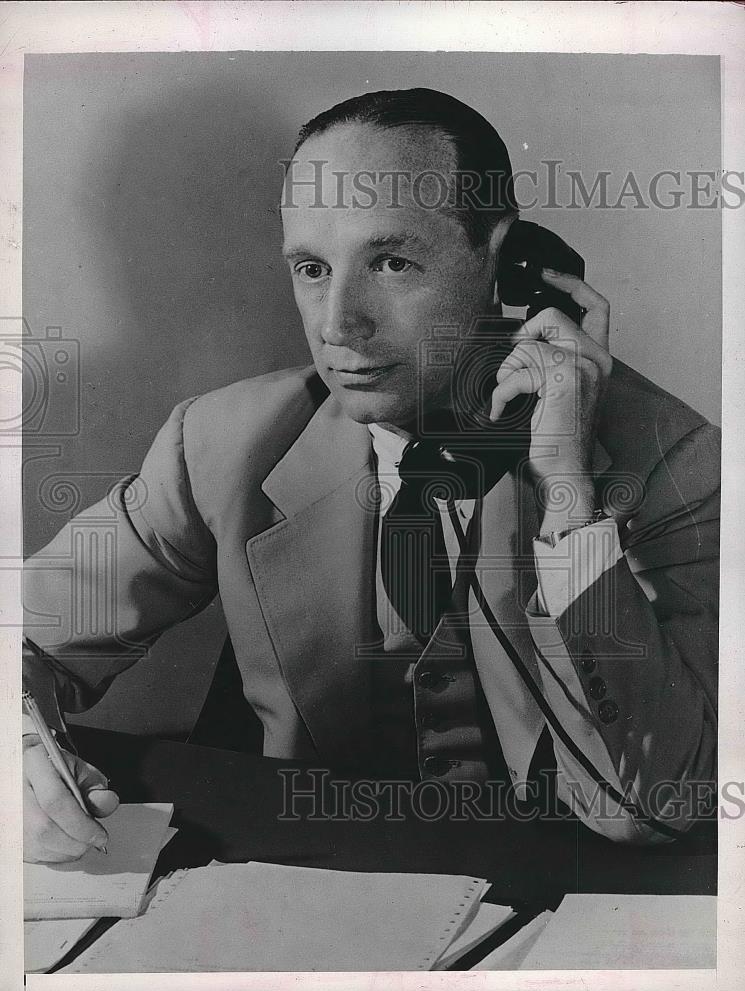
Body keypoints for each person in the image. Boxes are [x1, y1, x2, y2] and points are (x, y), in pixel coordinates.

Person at [22, 88, 719, 862]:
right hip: (308, 886)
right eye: (313, 268)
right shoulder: (222, 442)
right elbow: (23, 636)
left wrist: (564, 490)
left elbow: (653, 805)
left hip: (563, 900)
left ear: (506, 264)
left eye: (391, 261)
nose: (337, 323)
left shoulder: (679, 465)